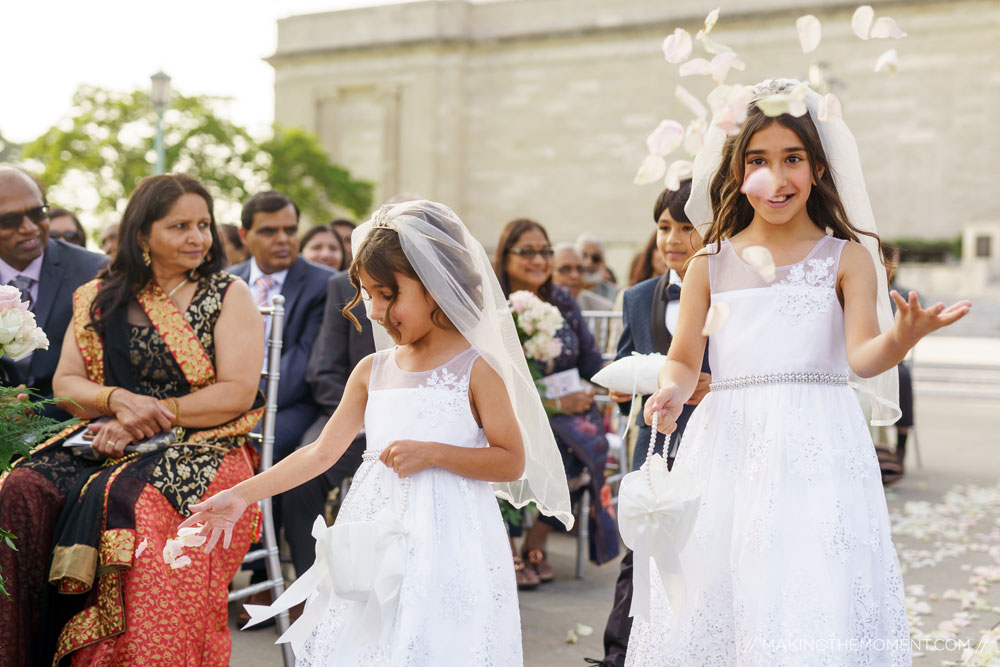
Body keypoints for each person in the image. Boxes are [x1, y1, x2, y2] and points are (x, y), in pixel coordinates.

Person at [626, 80, 971, 666]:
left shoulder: (848, 257)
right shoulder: (710, 261)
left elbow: (863, 356)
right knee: (726, 583)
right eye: (758, 160)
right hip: (729, 443)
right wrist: (670, 390)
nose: (777, 178)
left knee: (810, 582)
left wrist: (900, 339)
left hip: (818, 442)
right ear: (736, 172)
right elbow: (685, 358)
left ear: (818, 168)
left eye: (793, 159)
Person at [181, 200, 572, 665]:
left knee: (438, 642)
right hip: (373, 531)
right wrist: (241, 495)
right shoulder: (372, 369)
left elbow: (510, 459)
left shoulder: (477, 367)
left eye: (389, 294)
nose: (377, 311)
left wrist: (435, 453)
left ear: (435, 286)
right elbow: (319, 453)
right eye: (369, 295)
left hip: (450, 538)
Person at [0, 173, 266, 666]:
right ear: (142, 234)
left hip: (207, 446)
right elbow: (67, 387)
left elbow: (236, 393)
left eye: (204, 225)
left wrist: (150, 417)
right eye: (180, 225)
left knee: (135, 505)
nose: (197, 238)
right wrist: (119, 400)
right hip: (105, 438)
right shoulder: (99, 295)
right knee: (22, 487)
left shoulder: (228, 294)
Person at [590, 180, 711, 667]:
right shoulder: (639, 296)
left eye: (686, 228)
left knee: (700, 546)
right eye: (664, 227)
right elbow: (626, 359)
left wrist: (709, 384)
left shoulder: (726, 291)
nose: (673, 239)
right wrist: (623, 393)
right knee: (640, 550)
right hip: (654, 444)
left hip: (709, 440)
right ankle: (619, 652)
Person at [495, 218, 619, 588]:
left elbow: (592, 362)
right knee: (524, 447)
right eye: (527, 251)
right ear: (506, 257)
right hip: (509, 408)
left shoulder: (561, 300)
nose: (539, 259)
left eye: (544, 251)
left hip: (567, 417)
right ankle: (510, 547)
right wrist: (554, 403)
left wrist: (633, 374)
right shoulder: (493, 306)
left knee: (586, 445)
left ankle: (538, 540)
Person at [229, 191, 333, 609]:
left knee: (257, 445)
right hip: (231, 405)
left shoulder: (322, 283)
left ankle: (283, 580)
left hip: (294, 404)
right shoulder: (228, 280)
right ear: (245, 234)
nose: (283, 239)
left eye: (290, 229)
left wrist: (240, 404)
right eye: (269, 231)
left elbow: (305, 363)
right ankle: (232, 568)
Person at [0, 166, 108, 416]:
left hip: (72, 430)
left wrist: (36, 413)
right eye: (9, 219)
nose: (29, 227)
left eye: (38, 213)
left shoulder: (97, 273)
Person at [879, 242, 915, 482]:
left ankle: (900, 447)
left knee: (901, 377)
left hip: (892, 357)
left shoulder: (902, 293)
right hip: (856, 357)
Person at [552, 242, 614, 311]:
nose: (575, 275)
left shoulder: (602, 310)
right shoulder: (539, 306)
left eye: (579, 269)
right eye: (566, 269)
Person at [576, 233, 618, 302]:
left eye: (596, 258)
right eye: (583, 255)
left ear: (603, 263)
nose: (588, 263)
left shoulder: (614, 294)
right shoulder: (566, 290)